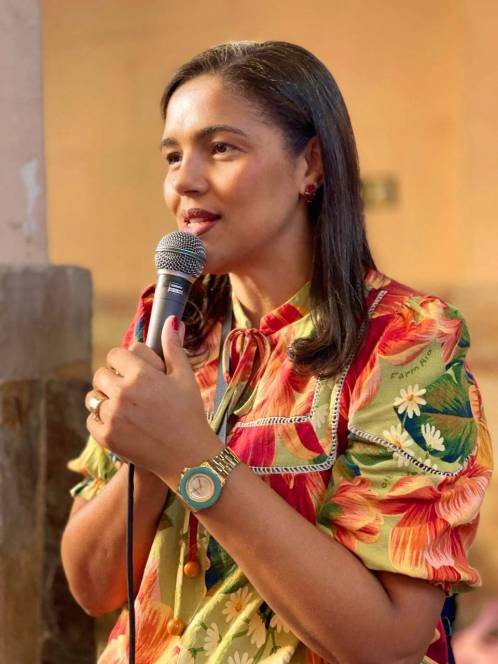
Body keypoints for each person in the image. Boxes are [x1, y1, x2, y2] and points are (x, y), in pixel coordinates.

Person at [61, 41, 492, 664]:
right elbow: (93, 587)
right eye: (173, 155)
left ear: (309, 165)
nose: (184, 180)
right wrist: (147, 456)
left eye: (221, 148)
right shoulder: (171, 325)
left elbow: (390, 641)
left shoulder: (406, 340)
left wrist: (190, 457)